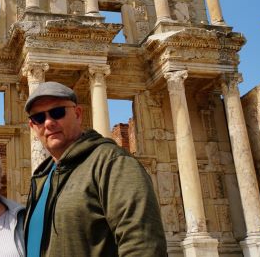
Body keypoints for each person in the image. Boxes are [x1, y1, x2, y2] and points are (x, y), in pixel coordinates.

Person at [24, 81, 167, 257]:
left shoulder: (113, 163)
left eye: (57, 112)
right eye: (39, 118)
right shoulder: (41, 177)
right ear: (32, 126)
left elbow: (143, 246)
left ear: (77, 114)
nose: (48, 123)